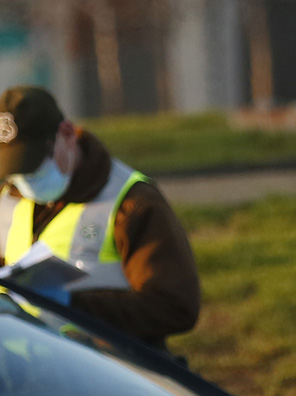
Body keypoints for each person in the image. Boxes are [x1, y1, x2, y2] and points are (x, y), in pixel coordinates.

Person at [0, 85, 200, 351]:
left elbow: (175, 307)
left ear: (67, 134)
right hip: (27, 373)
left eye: (34, 164)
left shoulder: (132, 203)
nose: (26, 180)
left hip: (107, 372)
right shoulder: (7, 198)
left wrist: (74, 305)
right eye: (14, 170)